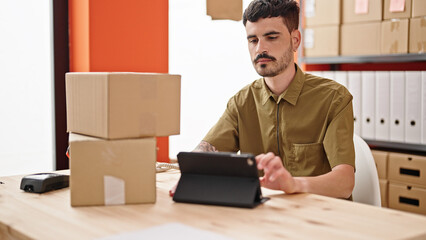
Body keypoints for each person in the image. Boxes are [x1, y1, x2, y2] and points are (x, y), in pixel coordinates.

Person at [172, 0, 355, 199]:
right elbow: (206, 150)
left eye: (271, 37)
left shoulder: (334, 98)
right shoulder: (242, 102)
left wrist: (293, 184)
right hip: (263, 216)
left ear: (295, 40)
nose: (260, 49)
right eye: (253, 40)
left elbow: (345, 183)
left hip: (322, 217)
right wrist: (191, 172)